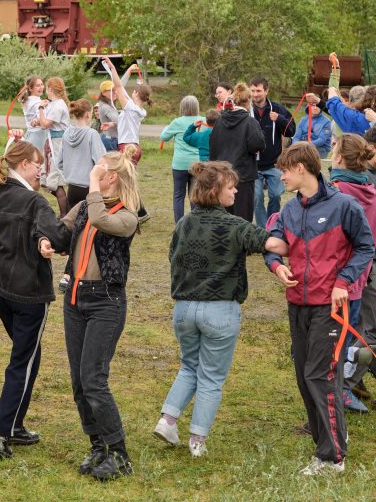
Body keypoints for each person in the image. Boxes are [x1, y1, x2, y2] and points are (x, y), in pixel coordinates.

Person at [153, 161, 288, 458]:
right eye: (231, 187)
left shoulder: (183, 223)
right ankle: (197, 440)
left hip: (184, 309)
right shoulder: (236, 226)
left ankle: (168, 419)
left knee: (189, 366)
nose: (236, 191)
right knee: (211, 377)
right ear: (215, 191)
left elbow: (172, 258)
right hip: (220, 311)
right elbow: (275, 245)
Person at [264, 142, 374, 475]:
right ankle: (328, 437)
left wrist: (343, 281)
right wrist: (276, 266)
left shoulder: (344, 206)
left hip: (332, 306)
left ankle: (331, 458)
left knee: (320, 374)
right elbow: (272, 244)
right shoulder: (289, 210)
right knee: (304, 376)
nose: (281, 178)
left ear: (301, 168)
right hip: (297, 304)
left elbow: (366, 247)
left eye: (285, 171)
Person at [38, 147, 140, 481]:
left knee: (94, 380)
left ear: (112, 177)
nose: (93, 172)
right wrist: (46, 241)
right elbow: (64, 231)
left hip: (106, 302)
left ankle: (119, 454)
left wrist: (93, 184)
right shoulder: (84, 206)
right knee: (79, 382)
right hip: (75, 298)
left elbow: (99, 220)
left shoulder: (127, 215)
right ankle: (98, 446)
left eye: (99, 170)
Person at [0, 141, 71, 460]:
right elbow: (60, 235)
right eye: (38, 165)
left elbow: (28, 231)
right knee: (23, 360)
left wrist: (41, 240)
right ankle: (1, 434)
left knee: (29, 354)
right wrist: (65, 211)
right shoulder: (35, 201)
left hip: (1, 286)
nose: (41, 171)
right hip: (28, 292)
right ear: (23, 165)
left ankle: (16, 425)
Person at [326, 134, 376, 414]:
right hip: (362, 275)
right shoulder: (370, 190)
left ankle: (341, 388)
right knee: (354, 331)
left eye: (334, 148)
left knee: (346, 336)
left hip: (340, 279)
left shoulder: (337, 193)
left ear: (340, 158)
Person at [209, 83, 266, 222]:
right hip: (243, 176)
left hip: (222, 174)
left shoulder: (219, 121)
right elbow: (258, 145)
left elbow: (212, 145)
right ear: (248, 102)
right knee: (243, 217)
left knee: (223, 216)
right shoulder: (250, 122)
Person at [249, 77, 296, 227]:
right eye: (252, 91)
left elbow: (291, 131)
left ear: (266, 91)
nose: (255, 94)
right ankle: (263, 229)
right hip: (252, 165)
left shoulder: (278, 109)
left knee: (276, 195)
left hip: (274, 164)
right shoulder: (246, 110)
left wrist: (280, 119)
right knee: (256, 197)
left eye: (258, 91)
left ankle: (272, 224)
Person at [160, 96, 205, 223]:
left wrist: (166, 128)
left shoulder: (177, 122)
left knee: (178, 195)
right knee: (195, 196)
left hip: (180, 165)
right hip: (197, 164)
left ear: (182, 107)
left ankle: (179, 225)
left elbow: (164, 137)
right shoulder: (203, 120)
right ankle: (195, 224)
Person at [60, 99, 107, 213]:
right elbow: (101, 161)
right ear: (88, 114)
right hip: (89, 187)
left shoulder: (66, 133)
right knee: (89, 221)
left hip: (72, 188)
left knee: (73, 221)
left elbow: (59, 162)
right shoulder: (92, 134)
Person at [104, 60, 151, 165]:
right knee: (130, 173)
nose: (131, 93)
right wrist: (113, 124)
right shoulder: (140, 110)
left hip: (127, 147)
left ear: (137, 94)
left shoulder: (130, 107)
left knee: (123, 174)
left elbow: (118, 87)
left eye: (133, 91)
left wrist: (112, 68)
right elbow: (128, 123)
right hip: (136, 148)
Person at [35, 76, 71, 214]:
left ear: (50, 89)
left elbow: (45, 124)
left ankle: (65, 215)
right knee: (45, 180)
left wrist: (40, 108)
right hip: (51, 142)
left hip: (58, 144)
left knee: (54, 182)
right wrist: (37, 120)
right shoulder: (54, 104)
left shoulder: (59, 105)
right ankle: (66, 211)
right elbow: (44, 122)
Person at [20, 75, 47, 150]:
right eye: (37, 86)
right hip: (38, 135)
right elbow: (41, 120)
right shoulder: (37, 103)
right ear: (30, 88)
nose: (41, 87)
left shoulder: (27, 100)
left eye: (42, 84)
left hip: (29, 134)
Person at [95, 81, 120, 152]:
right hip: (111, 142)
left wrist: (127, 74)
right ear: (103, 93)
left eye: (115, 90)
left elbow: (120, 85)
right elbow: (119, 121)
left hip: (111, 140)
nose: (115, 92)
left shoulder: (108, 104)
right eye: (112, 90)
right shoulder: (105, 107)